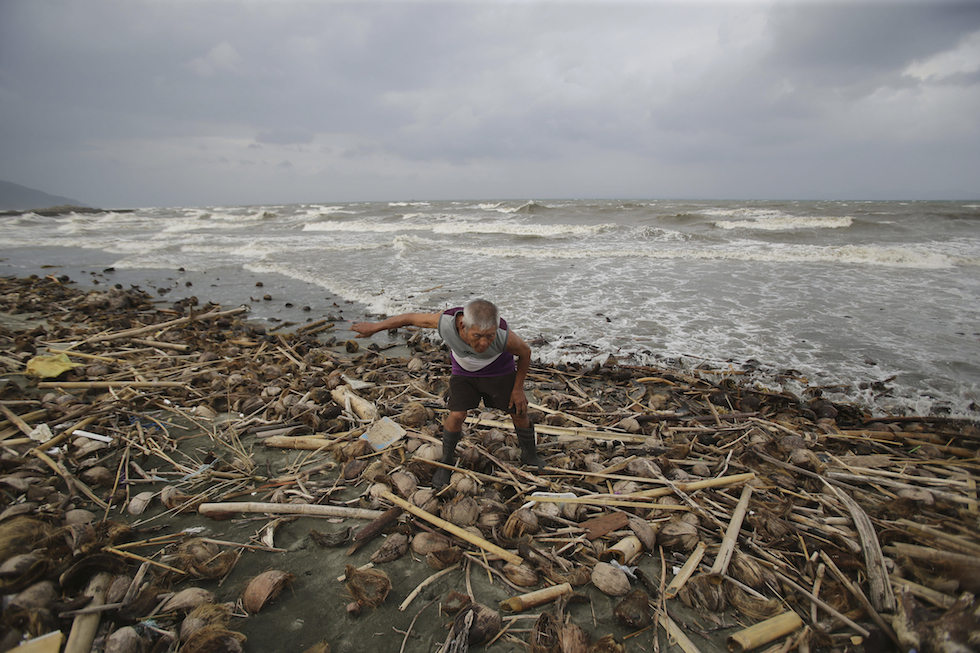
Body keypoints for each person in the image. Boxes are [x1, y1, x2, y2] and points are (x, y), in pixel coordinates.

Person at [350, 299, 542, 488]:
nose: (484, 343)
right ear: (463, 325)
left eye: (489, 336)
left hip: (499, 371)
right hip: (464, 373)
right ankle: (447, 461)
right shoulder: (445, 322)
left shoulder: (504, 336)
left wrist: (517, 390)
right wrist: (374, 327)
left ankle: (530, 455)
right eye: (477, 336)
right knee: (457, 414)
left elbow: (525, 353)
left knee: (518, 411)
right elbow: (408, 318)